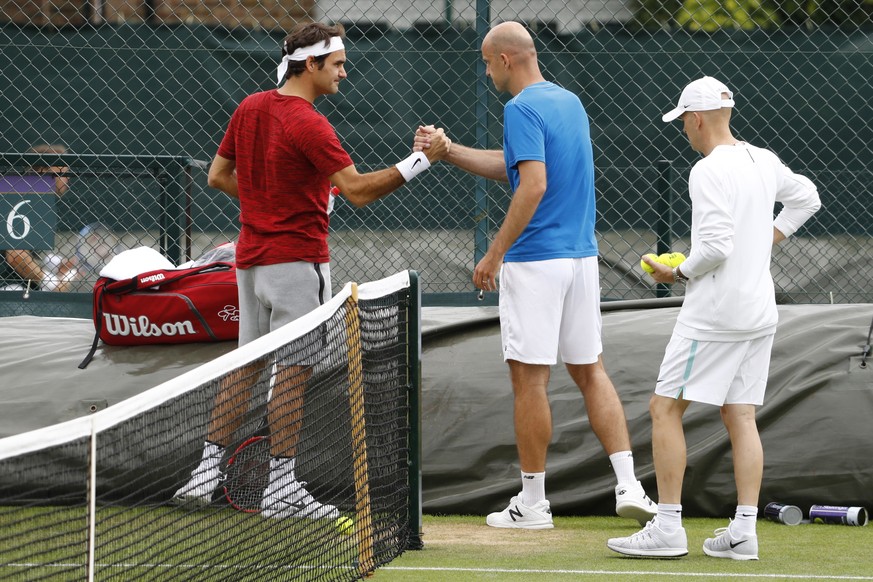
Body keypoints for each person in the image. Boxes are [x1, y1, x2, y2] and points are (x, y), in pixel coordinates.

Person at [172, 22, 448, 520]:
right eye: (338, 63)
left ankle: (204, 474)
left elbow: (219, 177)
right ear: (312, 63)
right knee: (293, 374)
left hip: (250, 261)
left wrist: (285, 201)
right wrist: (420, 161)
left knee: (247, 367)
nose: (345, 71)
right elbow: (359, 192)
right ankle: (280, 489)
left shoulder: (250, 107)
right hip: (297, 262)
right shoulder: (311, 124)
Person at [415, 21, 655, 529]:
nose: (485, 72)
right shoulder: (568, 102)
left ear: (505, 59)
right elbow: (518, 167)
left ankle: (533, 503)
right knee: (591, 371)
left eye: (486, 62)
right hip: (581, 259)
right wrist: (448, 151)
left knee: (530, 381)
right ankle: (630, 486)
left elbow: (533, 185)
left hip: (535, 261)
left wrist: (494, 253)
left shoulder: (519, 107)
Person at [607, 76, 821, 559]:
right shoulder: (761, 159)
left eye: (684, 120)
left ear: (697, 118)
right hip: (759, 314)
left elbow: (717, 248)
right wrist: (764, 239)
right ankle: (744, 531)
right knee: (740, 414)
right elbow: (807, 197)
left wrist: (676, 270)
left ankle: (667, 528)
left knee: (665, 409)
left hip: (715, 316)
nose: (684, 128)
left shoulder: (706, 170)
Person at [1, 144, 77, 292]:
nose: (67, 179)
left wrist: (55, 263)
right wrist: (51, 283)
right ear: (42, 171)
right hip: (9, 290)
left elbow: (25, 252)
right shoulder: (28, 200)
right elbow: (16, 256)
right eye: (61, 173)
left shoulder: (26, 196)